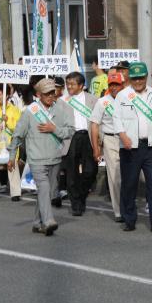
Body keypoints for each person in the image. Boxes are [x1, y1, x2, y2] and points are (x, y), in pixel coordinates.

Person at [7, 79, 75, 235]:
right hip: (36, 159)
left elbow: (70, 130)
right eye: (47, 94)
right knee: (43, 188)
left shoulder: (61, 109)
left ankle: (37, 222)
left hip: (55, 157)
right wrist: (12, 157)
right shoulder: (30, 111)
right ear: (38, 94)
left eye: (53, 92)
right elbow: (17, 135)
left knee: (48, 192)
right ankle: (48, 221)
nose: (51, 96)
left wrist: (54, 129)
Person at [113, 62, 152, 233]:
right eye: (134, 78)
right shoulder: (123, 95)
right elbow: (116, 118)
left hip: (151, 147)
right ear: (129, 78)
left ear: (146, 77)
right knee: (130, 184)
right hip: (130, 147)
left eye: (141, 78)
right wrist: (122, 135)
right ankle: (129, 219)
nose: (138, 81)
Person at [89, 71, 124, 222]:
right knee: (115, 176)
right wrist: (96, 148)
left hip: (129, 140)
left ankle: (127, 204)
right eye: (112, 84)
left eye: (117, 84)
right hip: (110, 140)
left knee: (129, 175)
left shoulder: (130, 99)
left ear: (123, 85)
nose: (114, 87)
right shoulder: (102, 102)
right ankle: (119, 211)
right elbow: (94, 125)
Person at [62, 72, 99, 216]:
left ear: (81, 85)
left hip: (88, 137)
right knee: (71, 172)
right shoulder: (63, 101)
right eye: (68, 84)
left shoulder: (93, 100)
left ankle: (82, 195)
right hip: (71, 138)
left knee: (91, 171)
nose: (69, 87)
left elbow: (98, 121)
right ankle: (75, 203)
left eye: (72, 84)